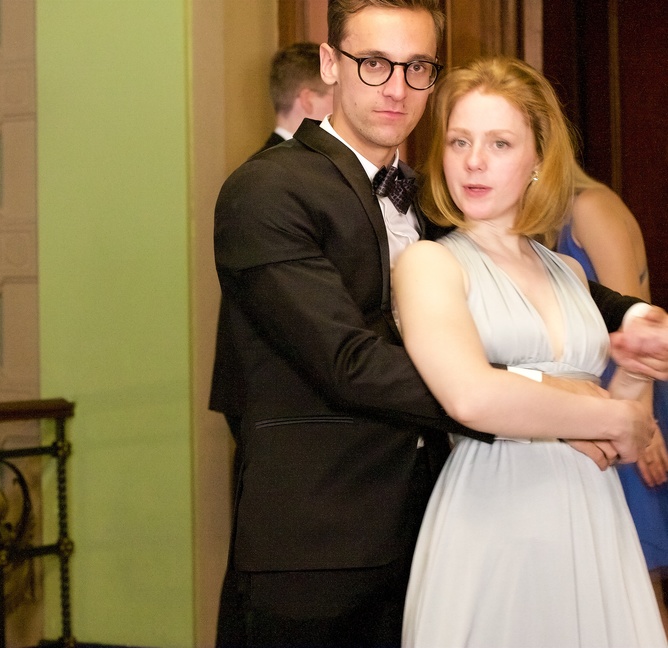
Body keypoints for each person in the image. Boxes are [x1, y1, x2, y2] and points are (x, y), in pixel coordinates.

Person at [213, 1, 664, 645]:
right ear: (330, 64)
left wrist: (638, 314)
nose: (397, 88)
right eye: (374, 63)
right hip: (318, 540)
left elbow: (531, 281)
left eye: (417, 67)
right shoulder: (266, 191)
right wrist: (547, 401)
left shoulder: (432, 198)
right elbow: (349, 363)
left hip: (438, 522)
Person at [396, 56, 665, 646]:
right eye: (460, 141)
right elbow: (470, 397)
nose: (474, 160)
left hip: (592, 516)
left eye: (499, 143)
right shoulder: (429, 263)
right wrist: (610, 415)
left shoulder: (569, 271)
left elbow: (626, 436)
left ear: (539, 159)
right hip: (493, 514)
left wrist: (637, 368)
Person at [557, 164, 668, 631]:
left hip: (626, 401)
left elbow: (636, 325)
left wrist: (642, 419)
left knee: (638, 581)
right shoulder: (551, 223)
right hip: (594, 408)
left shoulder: (589, 208)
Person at [210, 40, 334, 440]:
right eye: (336, 94)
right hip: (272, 393)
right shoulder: (269, 181)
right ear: (308, 100)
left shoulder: (290, 171)